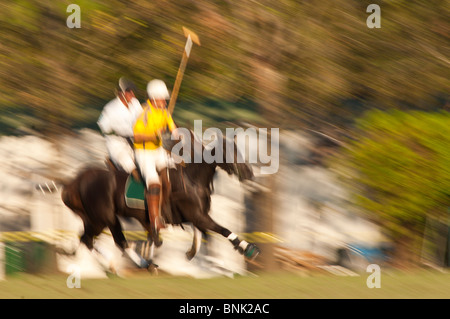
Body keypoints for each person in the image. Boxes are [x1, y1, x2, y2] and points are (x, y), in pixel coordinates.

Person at [133, 79, 178, 238]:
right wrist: (154, 134)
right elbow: (136, 137)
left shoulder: (164, 111)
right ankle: (154, 220)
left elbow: (172, 126)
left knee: (172, 174)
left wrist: (177, 134)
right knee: (154, 183)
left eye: (165, 98)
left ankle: (170, 212)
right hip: (144, 153)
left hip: (158, 150)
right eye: (161, 98)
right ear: (152, 98)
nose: (164, 101)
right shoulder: (144, 113)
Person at [97, 77, 143, 180]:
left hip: (134, 141)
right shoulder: (110, 108)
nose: (133, 95)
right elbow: (102, 126)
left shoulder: (135, 103)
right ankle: (137, 182)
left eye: (133, 92)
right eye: (129, 93)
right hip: (117, 145)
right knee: (127, 162)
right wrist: (117, 132)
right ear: (121, 93)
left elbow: (142, 118)